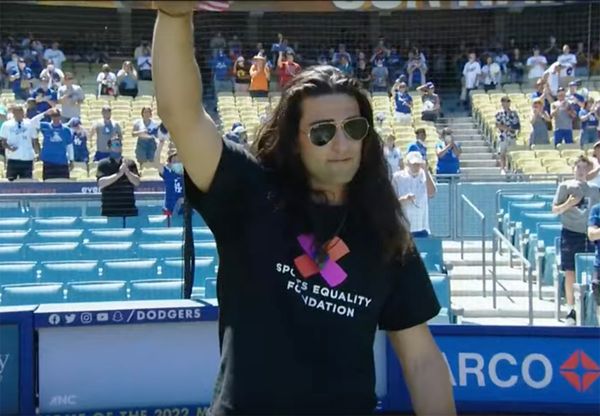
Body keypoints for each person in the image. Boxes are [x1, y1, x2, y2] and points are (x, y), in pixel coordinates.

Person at [152, 3, 455, 415]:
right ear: (293, 140)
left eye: (354, 128)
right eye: (322, 132)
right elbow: (181, 114)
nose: (342, 144)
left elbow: (421, 361)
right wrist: (174, 16)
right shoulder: (249, 191)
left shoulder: (386, 236)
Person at [552, 156, 599, 325]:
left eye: (584, 168)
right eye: (578, 167)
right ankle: (571, 309)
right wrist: (569, 204)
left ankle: (592, 306)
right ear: (573, 169)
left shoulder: (595, 190)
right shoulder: (565, 186)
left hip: (589, 235)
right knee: (570, 271)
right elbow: (555, 210)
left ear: (589, 171)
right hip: (571, 233)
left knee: (591, 271)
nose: (580, 171)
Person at [392, 151, 437, 237]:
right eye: (413, 164)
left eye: (418, 164)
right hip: (403, 226)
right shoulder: (397, 177)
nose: (416, 166)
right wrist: (404, 199)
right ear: (407, 163)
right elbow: (391, 202)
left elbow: (432, 193)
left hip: (421, 227)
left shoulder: (424, 175)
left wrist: (426, 171)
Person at [96, 137, 140, 218]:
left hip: (129, 210)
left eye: (119, 144)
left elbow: (137, 182)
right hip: (110, 211)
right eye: (115, 144)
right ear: (109, 147)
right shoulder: (103, 164)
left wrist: (127, 172)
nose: (118, 146)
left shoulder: (129, 163)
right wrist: (119, 174)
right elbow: (101, 183)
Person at [30, 108, 74, 180]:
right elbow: (32, 122)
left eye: (57, 115)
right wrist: (44, 113)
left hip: (62, 162)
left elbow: (69, 145)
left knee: (63, 184)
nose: (55, 118)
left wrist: (71, 160)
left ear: (60, 116)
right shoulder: (45, 126)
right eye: (53, 115)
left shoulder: (66, 130)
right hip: (48, 162)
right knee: (48, 184)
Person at [0, 105, 38, 181]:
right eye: (17, 113)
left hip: (27, 159)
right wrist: (9, 148)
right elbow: (3, 141)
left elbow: (35, 140)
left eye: (21, 113)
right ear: (13, 113)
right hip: (13, 159)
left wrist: (37, 153)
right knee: (11, 183)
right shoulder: (6, 125)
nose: (19, 115)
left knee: (26, 183)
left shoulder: (30, 124)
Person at [150, 137, 184, 220]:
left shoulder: (189, 175)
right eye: (175, 161)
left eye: (179, 161)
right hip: (169, 211)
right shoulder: (168, 173)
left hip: (185, 211)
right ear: (170, 164)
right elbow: (156, 162)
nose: (177, 163)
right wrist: (161, 144)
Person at [495, 96, 520, 173]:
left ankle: (510, 169)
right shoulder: (499, 113)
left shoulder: (514, 113)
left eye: (508, 101)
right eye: (505, 101)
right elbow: (498, 125)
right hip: (503, 136)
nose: (507, 103)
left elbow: (517, 125)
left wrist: (511, 129)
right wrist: (508, 128)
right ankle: (503, 168)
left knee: (511, 153)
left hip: (512, 136)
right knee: (502, 152)